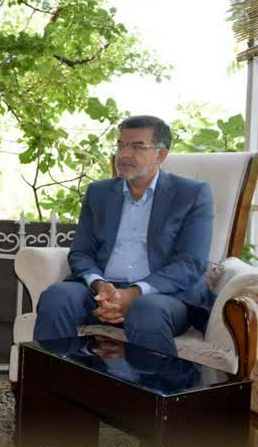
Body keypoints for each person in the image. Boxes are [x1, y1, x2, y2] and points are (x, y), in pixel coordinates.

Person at [33, 115, 214, 357]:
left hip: (162, 296)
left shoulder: (191, 194)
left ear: (160, 155)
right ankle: (55, 379)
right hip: (101, 291)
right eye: (121, 145)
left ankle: (159, 383)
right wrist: (99, 285)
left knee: (146, 311)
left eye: (137, 146)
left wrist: (135, 292)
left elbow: (191, 262)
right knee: (57, 298)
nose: (124, 154)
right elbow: (81, 252)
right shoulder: (98, 193)